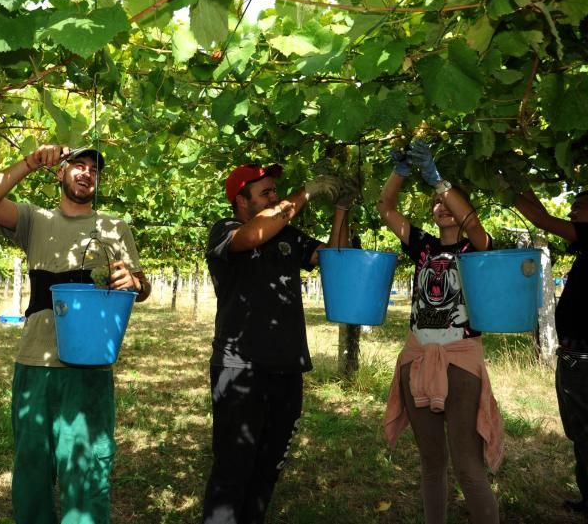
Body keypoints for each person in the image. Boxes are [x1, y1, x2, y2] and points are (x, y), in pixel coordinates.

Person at [0, 144, 150, 524]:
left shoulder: (114, 227)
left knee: (86, 468)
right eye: (78, 165)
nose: (86, 173)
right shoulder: (34, 220)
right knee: (32, 465)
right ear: (60, 173)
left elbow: (141, 286)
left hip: (91, 366)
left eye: (93, 169)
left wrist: (134, 280)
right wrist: (31, 161)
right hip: (35, 363)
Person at [201, 163, 354, 524]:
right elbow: (253, 236)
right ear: (241, 201)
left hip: (287, 369)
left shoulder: (287, 235)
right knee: (232, 471)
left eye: (275, 191)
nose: (276, 197)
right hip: (240, 369)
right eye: (266, 192)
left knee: (268, 468)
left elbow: (336, 259)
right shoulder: (227, 231)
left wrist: (341, 210)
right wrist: (305, 192)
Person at [378, 141, 502, 524]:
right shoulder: (423, 248)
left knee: (467, 466)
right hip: (417, 356)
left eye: (450, 201)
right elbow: (385, 209)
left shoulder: (476, 247)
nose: (441, 205)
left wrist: (437, 179)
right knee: (431, 463)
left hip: (460, 358)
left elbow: (475, 224)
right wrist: (399, 173)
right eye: (436, 202)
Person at [513, 186, 588, 524]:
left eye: (579, 208)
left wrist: (507, 189)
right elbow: (544, 217)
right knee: (581, 431)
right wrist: (522, 184)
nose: (571, 213)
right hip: (577, 353)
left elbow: (540, 219)